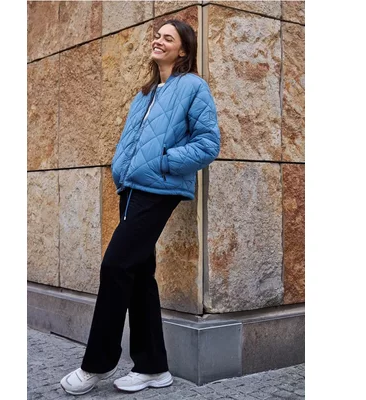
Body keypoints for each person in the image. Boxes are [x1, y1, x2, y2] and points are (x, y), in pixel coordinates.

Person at [60, 19, 220, 395]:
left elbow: (208, 143)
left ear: (183, 50)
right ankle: (153, 367)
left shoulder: (193, 87)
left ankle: (96, 363)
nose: (158, 41)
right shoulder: (145, 93)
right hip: (131, 189)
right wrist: (121, 167)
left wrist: (164, 162)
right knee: (138, 275)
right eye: (157, 35)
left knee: (115, 266)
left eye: (168, 38)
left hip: (158, 190)